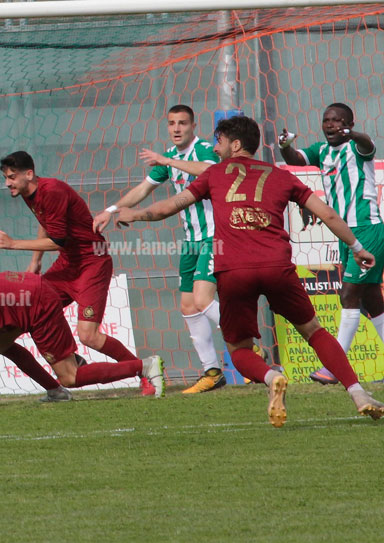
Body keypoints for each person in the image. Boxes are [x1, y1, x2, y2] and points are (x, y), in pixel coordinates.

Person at [117, 114, 384, 426]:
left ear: (236, 144)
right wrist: (356, 247)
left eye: (219, 142)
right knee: (314, 331)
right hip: (277, 268)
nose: (216, 149)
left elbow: (169, 207)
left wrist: (134, 214)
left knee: (240, 351)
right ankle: (358, 393)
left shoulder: (215, 175)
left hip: (234, 272)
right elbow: (327, 213)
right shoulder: (280, 175)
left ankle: (272, 378)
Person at [0, 151, 150, 397]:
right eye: (5, 178)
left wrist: (13, 243)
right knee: (33, 308)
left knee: (89, 336)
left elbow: (58, 240)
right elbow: (47, 222)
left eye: (11, 177)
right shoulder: (29, 192)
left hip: (91, 263)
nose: (7, 183)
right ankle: (63, 376)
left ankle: (146, 373)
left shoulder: (52, 190)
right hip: (67, 264)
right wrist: (35, 262)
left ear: (29, 174)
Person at [93, 104, 225, 394]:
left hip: (215, 236)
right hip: (190, 239)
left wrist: (166, 159)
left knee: (203, 300)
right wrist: (111, 210)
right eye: (171, 123)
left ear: (193, 126)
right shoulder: (169, 157)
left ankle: (248, 347)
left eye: (182, 123)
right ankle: (212, 372)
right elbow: (142, 189)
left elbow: (211, 171)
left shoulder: (202, 148)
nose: (176, 128)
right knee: (188, 306)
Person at [0, 272, 166, 413]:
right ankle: (55, 392)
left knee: (71, 377)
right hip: (32, 293)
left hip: (37, 304)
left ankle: (144, 366)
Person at [277, 103, 384, 385]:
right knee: (372, 298)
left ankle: (336, 366)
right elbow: (296, 159)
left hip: (367, 228)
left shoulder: (358, 147)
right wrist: (285, 146)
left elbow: (367, 142)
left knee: (348, 295)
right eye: (327, 120)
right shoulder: (321, 151)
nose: (331, 125)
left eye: (337, 121)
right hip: (344, 232)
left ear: (348, 123)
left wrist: (353, 133)